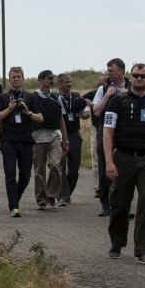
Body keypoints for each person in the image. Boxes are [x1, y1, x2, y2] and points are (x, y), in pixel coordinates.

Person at [103, 63, 145, 264]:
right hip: (122, 156)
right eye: (136, 75)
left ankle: (144, 250)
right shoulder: (117, 101)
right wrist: (109, 161)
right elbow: (107, 132)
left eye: (143, 76)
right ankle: (117, 242)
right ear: (130, 77)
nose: (139, 79)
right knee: (120, 203)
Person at [0, 66, 44, 217]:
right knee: (10, 173)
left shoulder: (30, 97)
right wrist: (9, 109)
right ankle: (13, 207)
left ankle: (15, 196)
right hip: (8, 138)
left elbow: (40, 118)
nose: (16, 79)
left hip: (26, 138)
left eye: (18, 76)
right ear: (9, 79)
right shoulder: (2, 98)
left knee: (26, 175)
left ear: (23, 78)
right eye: (13, 76)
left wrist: (28, 112)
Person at [92, 59, 131, 216]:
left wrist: (126, 95)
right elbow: (96, 111)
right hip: (105, 131)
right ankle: (105, 204)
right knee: (104, 167)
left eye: (112, 71)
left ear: (121, 71)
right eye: (108, 71)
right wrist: (107, 96)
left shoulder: (131, 87)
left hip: (125, 132)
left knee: (125, 169)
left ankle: (122, 206)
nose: (109, 73)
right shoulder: (103, 88)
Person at [32, 70, 70, 210]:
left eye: (52, 78)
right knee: (39, 171)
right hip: (38, 136)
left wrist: (66, 140)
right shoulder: (33, 97)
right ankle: (41, 200)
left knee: (55, 165)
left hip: (55, 135)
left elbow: (61, 119)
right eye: (48, 78)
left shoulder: (56, 98)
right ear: (41, 80)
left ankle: (51, 195)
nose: (51, 81)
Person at [56, 73, 90, 205]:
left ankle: (67, 192)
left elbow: (87, 112)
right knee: (61, 166)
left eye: (70, 82)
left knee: (75, 167)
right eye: (65, 82)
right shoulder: (55, 97)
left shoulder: (76, 97)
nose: (69, 84)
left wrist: (84, 115)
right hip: (59, 135)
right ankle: (63, 196)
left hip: (75, 134)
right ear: (59, 84)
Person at [84, 75, 107, 198]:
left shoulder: (110, 92)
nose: (101, 85)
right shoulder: (91, 94)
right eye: (99, 83)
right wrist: (86, 108)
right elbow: (80, 102)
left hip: (109, 128)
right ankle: (98, 187)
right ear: (96, 82)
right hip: (95, 127)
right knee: (96, 157)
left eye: (104, 83)